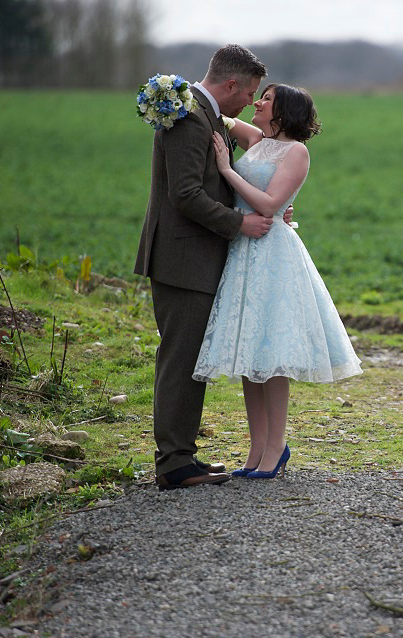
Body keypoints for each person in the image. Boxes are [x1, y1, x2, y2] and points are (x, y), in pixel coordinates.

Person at [134, 44, 292, 490]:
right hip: (183, 258)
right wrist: (240, 223)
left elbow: (226, 170)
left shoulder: (201, 110)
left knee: (189, 360)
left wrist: (271, 204)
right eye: (250, 93)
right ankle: (174, 463)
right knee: (181, 360)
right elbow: (185, 194)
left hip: (193, 257)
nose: (250, 102)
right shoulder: (187, 117)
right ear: (231, 85)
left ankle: (183, 456)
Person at [192, 83, 362, 479]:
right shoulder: (256, 138)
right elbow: (217, 114)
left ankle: (277, 446)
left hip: (273, 255)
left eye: (265, 100)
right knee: (250, 358)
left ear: (283, 111)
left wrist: (225, 170)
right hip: (243, 253)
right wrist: (177, 95)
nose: (256, 103)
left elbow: (270, 204)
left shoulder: (296, 152)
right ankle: (256, 448)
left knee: (272, 356)